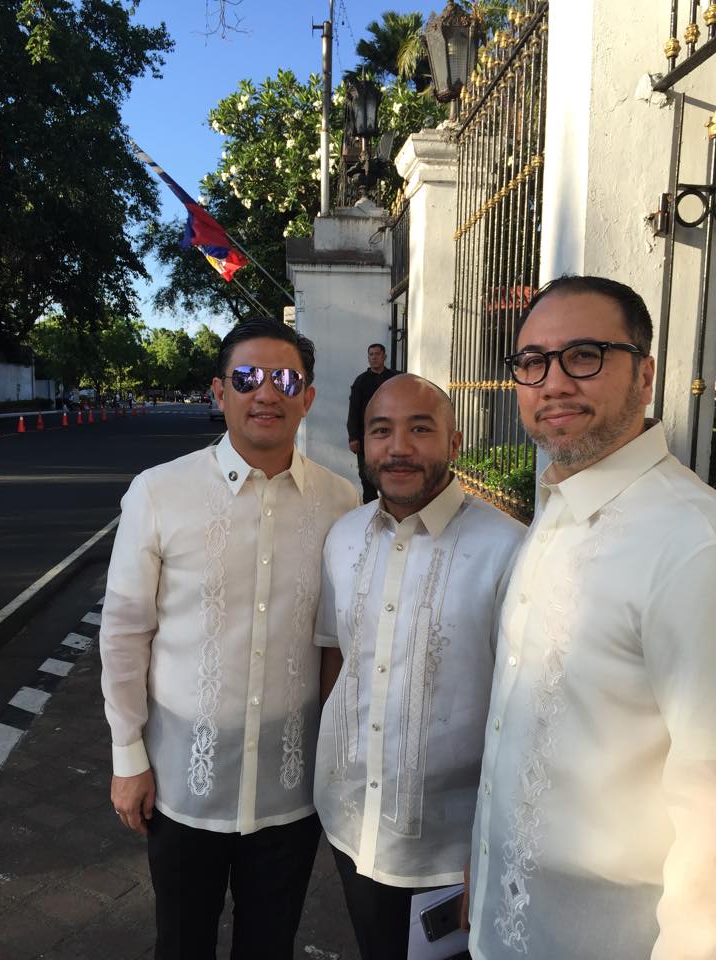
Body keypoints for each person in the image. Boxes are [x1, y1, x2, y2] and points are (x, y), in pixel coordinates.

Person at [467, 275, 716, 960]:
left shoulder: (693, 544)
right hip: (506, 924)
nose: (553, 383)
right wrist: (483, 871)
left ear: (646, 375)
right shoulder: (557, 512)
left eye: (584, 354)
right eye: (532, 362)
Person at [100, 316, 359, 960]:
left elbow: (337, 640)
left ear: (308, 396)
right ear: (220, 392)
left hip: (289, 790)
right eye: (247, 377)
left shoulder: (341, 501)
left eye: (285, 378)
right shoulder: (159, 493)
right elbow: (126, 630)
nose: (265, 392)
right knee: (181, 943)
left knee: (270, 946)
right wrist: (126, 754)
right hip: (183, 786)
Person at [315, 374, 525, 960]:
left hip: (451, 847)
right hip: (352, 824)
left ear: (454, 443)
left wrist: (492, 850)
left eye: (420, 429)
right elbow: (336, 654)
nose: (399, 447)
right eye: (382, 431)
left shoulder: (508, 550)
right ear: (362, 444)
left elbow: (525, 713)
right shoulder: (342, 536)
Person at [347, 343, 398, 502]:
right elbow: (353, 410)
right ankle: (370, 513)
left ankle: (393, 509)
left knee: (391, 471)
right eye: (371, 355)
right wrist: (353, 437)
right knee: (367, 476)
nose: (374, 358)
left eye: (377, 354)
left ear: (384, 356)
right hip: (366, 437)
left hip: (392, 435)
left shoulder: (395, 378)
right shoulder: (361, 381)